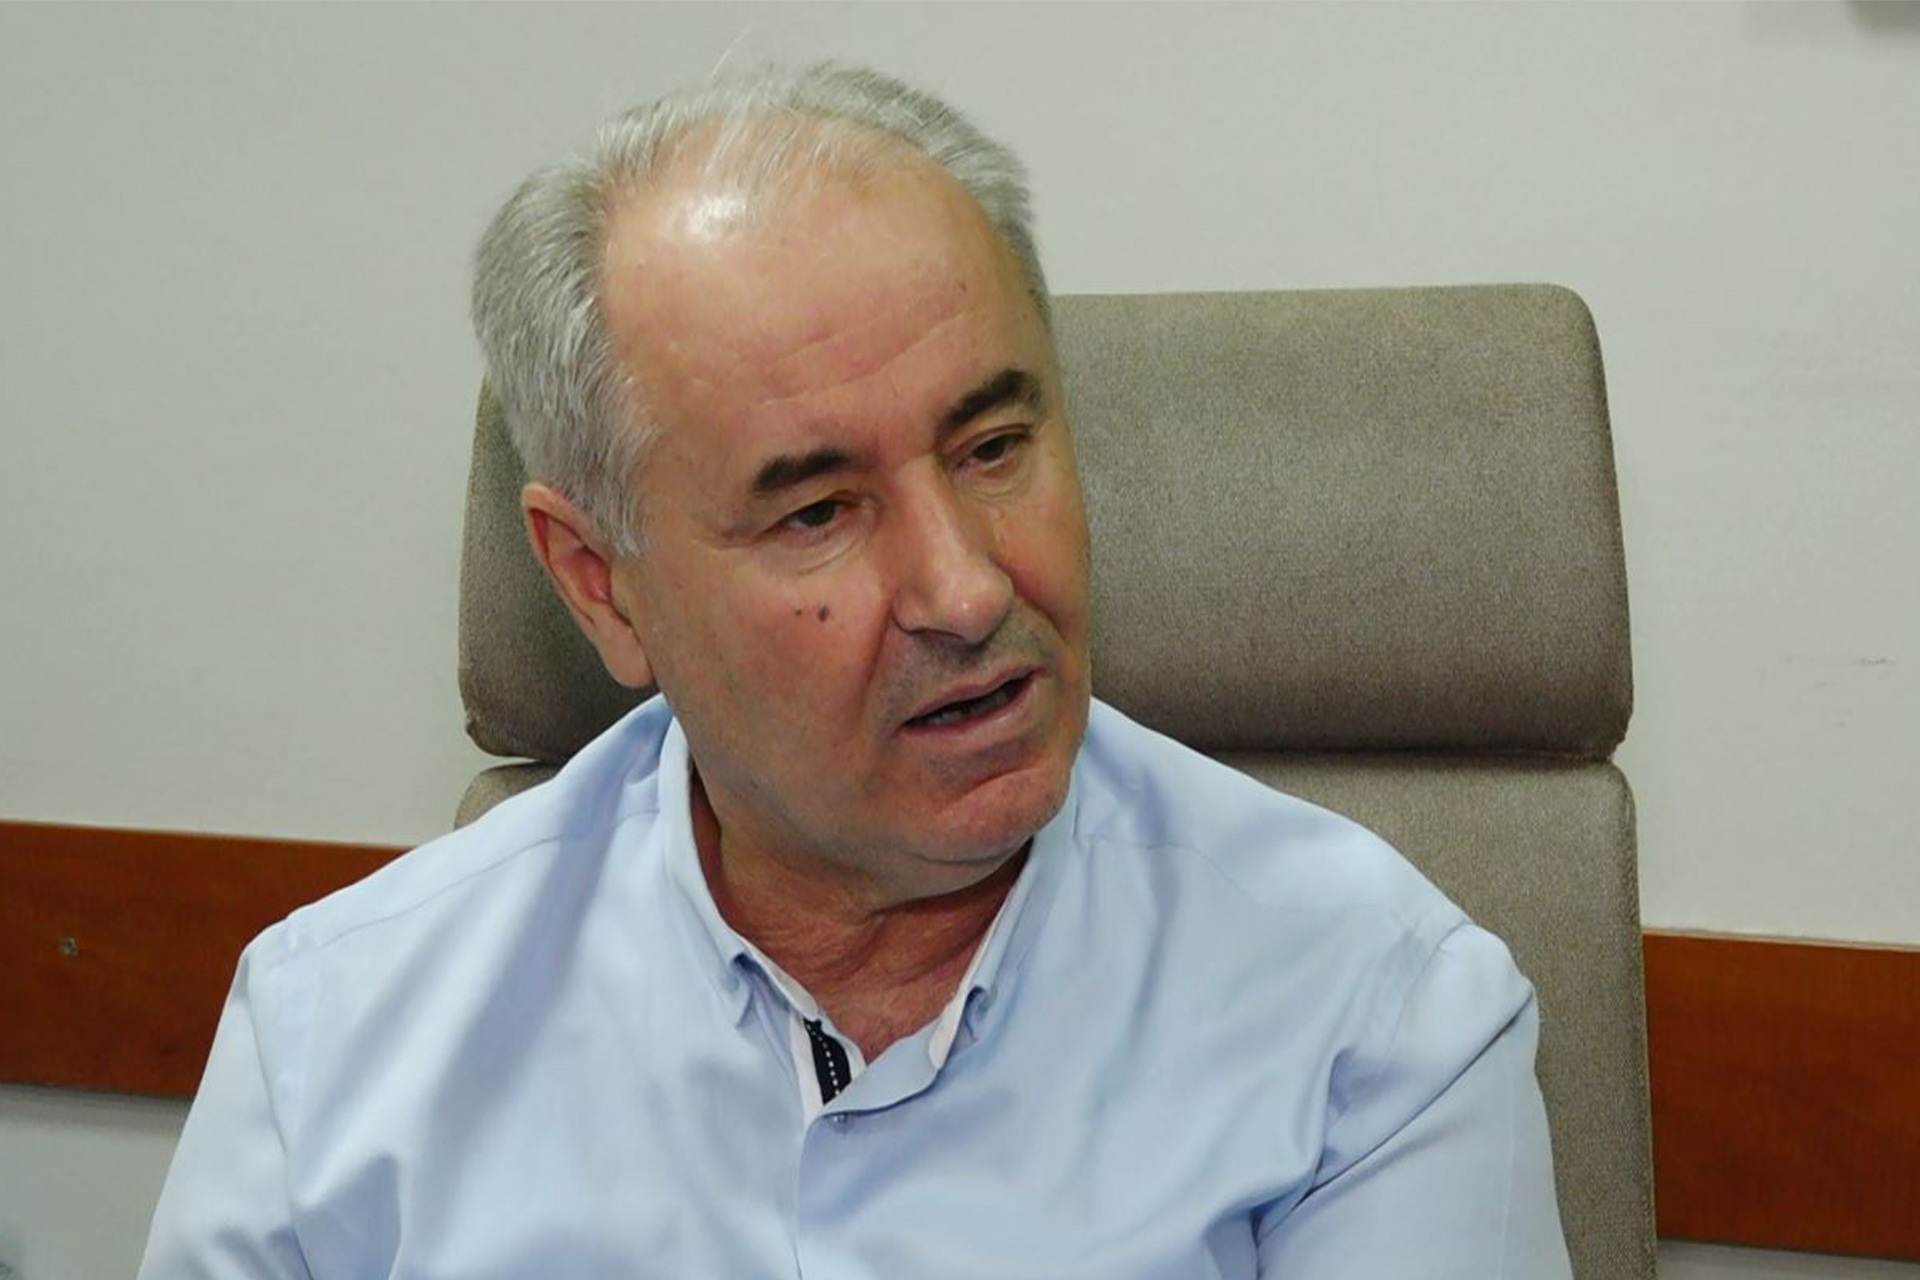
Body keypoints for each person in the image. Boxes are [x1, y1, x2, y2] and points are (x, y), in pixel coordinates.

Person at [139, 63, 1572, 1278]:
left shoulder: (1373, 1021)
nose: (966, 589)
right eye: (818, 512)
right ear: (600, 584)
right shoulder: (338, 1043)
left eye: (994, 447)